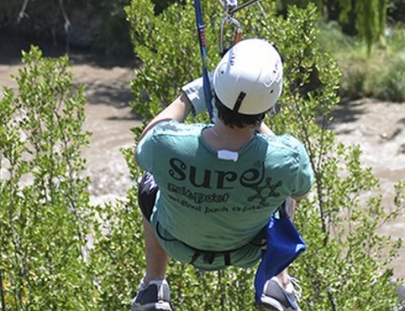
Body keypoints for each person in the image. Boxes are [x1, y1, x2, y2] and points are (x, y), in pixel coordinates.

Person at [132, 38, 314, 311]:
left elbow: (144, 143)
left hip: (177, 241)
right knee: (285, 188)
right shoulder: (288, 157)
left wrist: (191, 97)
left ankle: (154, 285)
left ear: (217, 86)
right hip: (249, 247)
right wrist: (254, 116)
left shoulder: (167, 143)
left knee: (149, 181)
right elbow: (300, 187)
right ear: (271, 102)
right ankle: (277, 280)